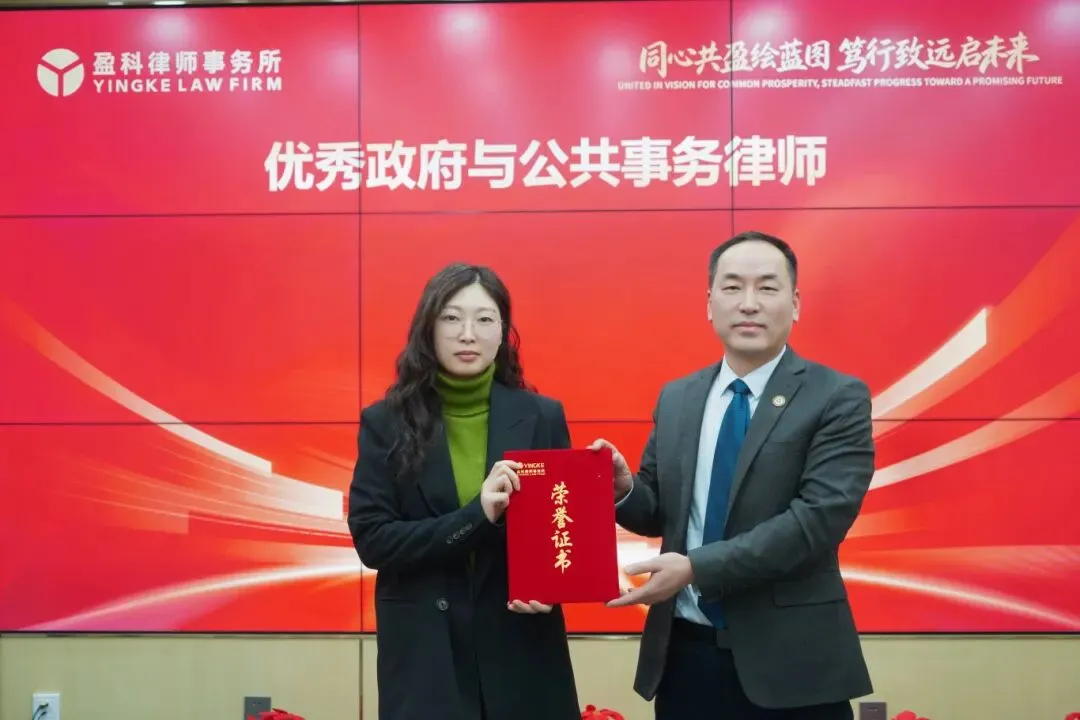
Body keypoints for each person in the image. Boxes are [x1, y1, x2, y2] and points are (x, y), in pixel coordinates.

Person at [590, 231, 875, 720]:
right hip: (686, 659)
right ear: (709, 303)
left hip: (794, 666)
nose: (749, 303)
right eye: (732, 287)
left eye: (767, 287)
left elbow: (816, 522)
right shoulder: (678, 397)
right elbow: (659, 510)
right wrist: (624, 489)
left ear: (795, 303)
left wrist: (696, 568)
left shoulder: (836, 396)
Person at [347, 263, 580, 720]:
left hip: (522, 648)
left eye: (484, 319)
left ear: (503, 332)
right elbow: (373, 540)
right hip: (426, 655)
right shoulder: (386, 422)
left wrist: (552, 586)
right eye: (451, 318)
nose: (468, 334)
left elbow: (559, 531)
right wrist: (477, 515)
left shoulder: (542, 416)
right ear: (428, 329)